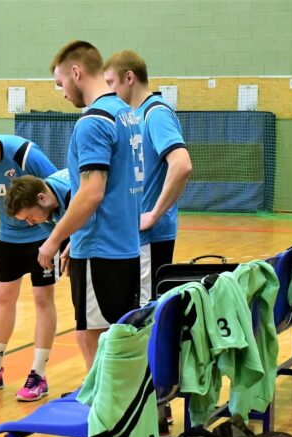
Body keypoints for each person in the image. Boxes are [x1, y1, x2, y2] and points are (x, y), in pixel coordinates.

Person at [37, 40, 144, 372]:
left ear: (76, 72)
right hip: (124, 248)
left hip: (101, 251)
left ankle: (107, 404)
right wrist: (77, 237)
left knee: (93, 339)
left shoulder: (93, 121)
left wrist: (54, 239)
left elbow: (91, 193)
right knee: (120, 338)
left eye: (61, 84)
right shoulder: (127, 114)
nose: (63, 93)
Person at [103, 50, 192, 305]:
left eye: (111, 82)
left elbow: (182, 165)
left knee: (146, 314)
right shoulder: (133, 115)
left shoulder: (156, 114)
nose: (108, 90)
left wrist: (154, 214)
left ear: (129, 78)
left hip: (151, 238)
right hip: (134, 237)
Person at [0, 135, 60, 401]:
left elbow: (57, 188)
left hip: (41, 236)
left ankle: (39, 374)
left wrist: (56, 239)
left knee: (42, 298)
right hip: (9, 236)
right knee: (4, 297)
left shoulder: (24, 154)